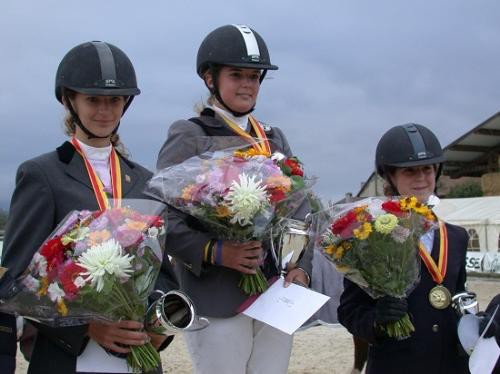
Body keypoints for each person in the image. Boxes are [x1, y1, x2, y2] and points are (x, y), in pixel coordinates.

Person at [0, 41, 177, 374]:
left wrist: (156, 327)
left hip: (137, 356)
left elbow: (162, 275)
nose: (104, 111)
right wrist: (87, 327)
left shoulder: (145, 181)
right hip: (68, 357)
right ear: (70, 100)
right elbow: (15, 282)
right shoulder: (42, 175)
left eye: (114, 100)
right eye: (93, 100)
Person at [155, 24, 312, 374]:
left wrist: (301, 265)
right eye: (237, 75)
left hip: (274, 291)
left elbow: (299, 209)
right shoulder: (190, 134)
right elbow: (163, 220)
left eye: (254, 77)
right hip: (217, 297)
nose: (247, 84)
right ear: (210, 79)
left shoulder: (274, 138)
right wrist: (217, 251)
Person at [338, 124, 470, 374]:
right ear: (391, 177)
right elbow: (349, 311)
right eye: (410, 171)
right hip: (396, 364)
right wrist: (376, 319)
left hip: (450, 365)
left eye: (427, 169)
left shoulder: (457, 237)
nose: (421, 178)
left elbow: (459, 296)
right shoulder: (368, 236)